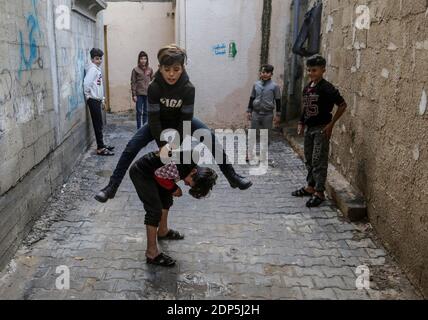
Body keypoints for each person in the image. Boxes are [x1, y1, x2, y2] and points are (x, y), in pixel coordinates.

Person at [95, 44, 252, 203]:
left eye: (176, 69)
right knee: (131, 147)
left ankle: (232, 176)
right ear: (160, 68)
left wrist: (175, 144)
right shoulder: (154, 87)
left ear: (182, 68)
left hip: (182, 122)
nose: (171, 74)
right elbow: (154, 119)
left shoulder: (188, 88)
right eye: (167, 69)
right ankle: (112, 187)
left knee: (209, 136)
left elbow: (186, 120)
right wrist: (163, 144)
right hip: (159, 123)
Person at [129, 150, 217, 266]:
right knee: (154, 211)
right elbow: (158, 175)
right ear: (194, 171)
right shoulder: (180, 167)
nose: (186, 185)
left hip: (156, 173)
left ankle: (163, 231)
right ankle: (152, 253)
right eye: (190, 183)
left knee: (166, 199)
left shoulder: (188, 167)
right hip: (142, 173)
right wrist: (174, 188)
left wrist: (171, 188)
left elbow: (163, 174)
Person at [292, 54, 347, 207]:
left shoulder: (327, 88)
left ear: (323, 70)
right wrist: (301, 122)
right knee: (309, 159)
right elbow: (306, 107)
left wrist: (331, 124)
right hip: (309, 129)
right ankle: (310, 186)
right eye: (309, 70)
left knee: (319, 160)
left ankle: (319, 192)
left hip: (322, 129)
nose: (311, 73)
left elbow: (342, 105)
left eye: (314, 70)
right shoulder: (307, 88)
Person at [246, 64, 282, 164]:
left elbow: (278, 101)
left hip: (268, 114)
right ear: (260, 73)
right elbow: (252, 97)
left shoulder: (275, 86)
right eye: (262, 72)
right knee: (253, 133)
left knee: (265, 135)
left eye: (267, 72)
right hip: (256, 113)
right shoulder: (256, 84)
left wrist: (278, 115)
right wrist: (249, 111)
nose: (264, 74)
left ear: (271, 74)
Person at [83, 48, 114, 156]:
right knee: (97, 124)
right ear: (92, 59)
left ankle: (102, 144)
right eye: (97, 59)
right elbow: (86, 84)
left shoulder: (97, 69)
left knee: (99, 123)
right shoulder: (92, 69)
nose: (99, 60)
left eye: (100, 58)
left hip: (97, 100)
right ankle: (100, 148)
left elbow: (99, 86)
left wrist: (103, 99)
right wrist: (88, 96)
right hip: (93, 100)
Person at [131, 51, 154, 129]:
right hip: (139, 94)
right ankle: (138, 128)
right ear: (139, 60)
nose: (143, 60)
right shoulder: (135, 70)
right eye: (141, 58)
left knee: (146, 112)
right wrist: (134, 95)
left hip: (148, 94)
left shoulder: (150, 69)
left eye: (145, 58)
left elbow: (153, 80)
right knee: (139, 112)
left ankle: (144, 129)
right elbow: (133, 82)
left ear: (147, 60)